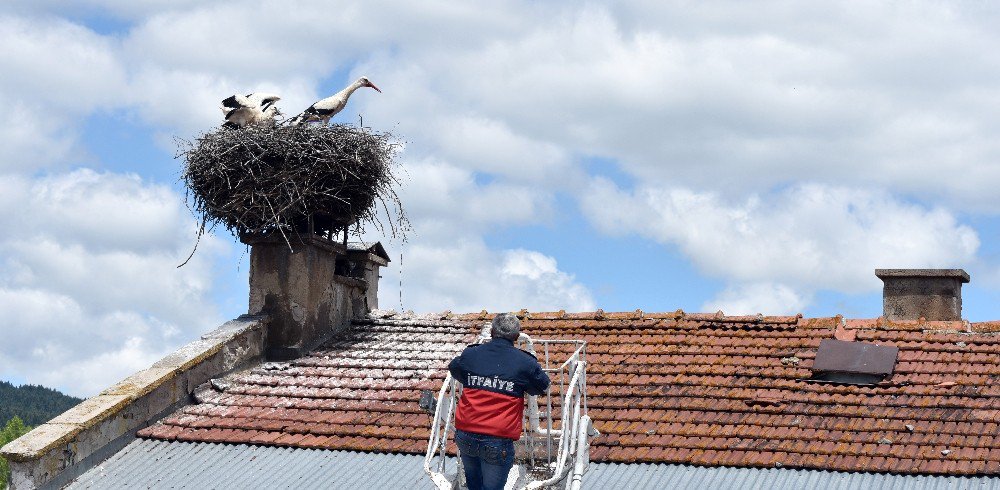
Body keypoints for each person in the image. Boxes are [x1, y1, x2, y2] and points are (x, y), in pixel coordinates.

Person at [448, 313, 551, 490]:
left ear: (492, 332)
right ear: (517, 336)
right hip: (497, 441)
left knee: (474, 486)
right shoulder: (525, 362)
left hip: (466, 434)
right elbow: (542, 387)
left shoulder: (471, 354)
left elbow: (455, 369)